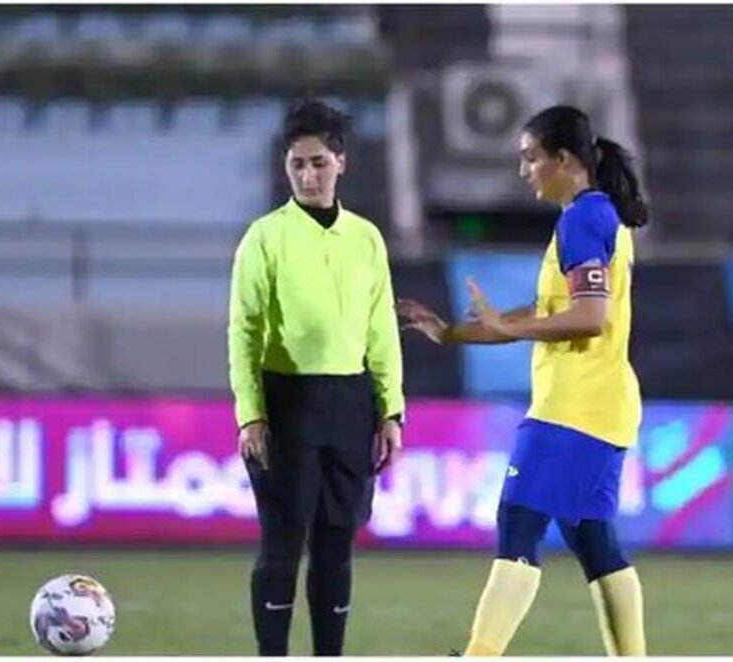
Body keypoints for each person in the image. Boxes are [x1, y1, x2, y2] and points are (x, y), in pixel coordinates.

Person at [399, 105, 649, 657]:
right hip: (603, 406)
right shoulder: (600, 217)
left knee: (518, 523)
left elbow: (590, 317)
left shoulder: (583, 220)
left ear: (564, 159)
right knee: (594, 540)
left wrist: (507, 326)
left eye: (530, 158)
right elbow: (548, 310)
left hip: (574, 409)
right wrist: (455, 333)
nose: (524, 170)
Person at [228, 98, 405, 656]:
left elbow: (381, 328)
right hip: (287, 402)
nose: (308, 175)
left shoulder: (366, 238)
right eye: (297, 164)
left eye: (318, 163)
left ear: (341, 163)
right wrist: (251, 415)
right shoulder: (265, 237)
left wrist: (391, 410)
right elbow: (244, 331)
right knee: (282, 544)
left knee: (336, 546)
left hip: (350, 404)